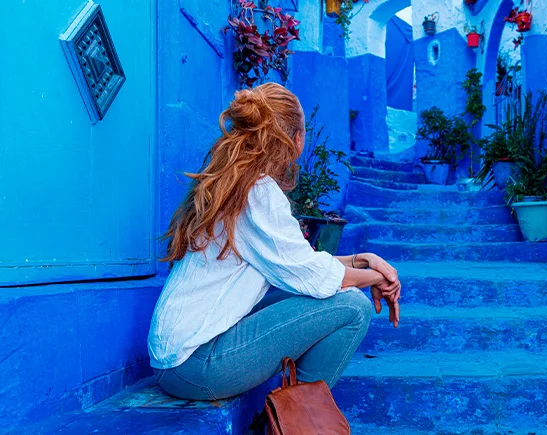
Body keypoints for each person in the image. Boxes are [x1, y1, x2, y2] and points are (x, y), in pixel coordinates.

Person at [147, 83, 401, 401]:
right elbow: (313, 277)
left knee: (322, 293)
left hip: (177, 357)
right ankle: (298, 421)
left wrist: (363, 260)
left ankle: (290, 414)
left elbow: (301, 266)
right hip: (196, 364)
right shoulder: (259, 192)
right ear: (296, 139)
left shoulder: (241, 184)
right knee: (353, 306)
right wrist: (381, 278)